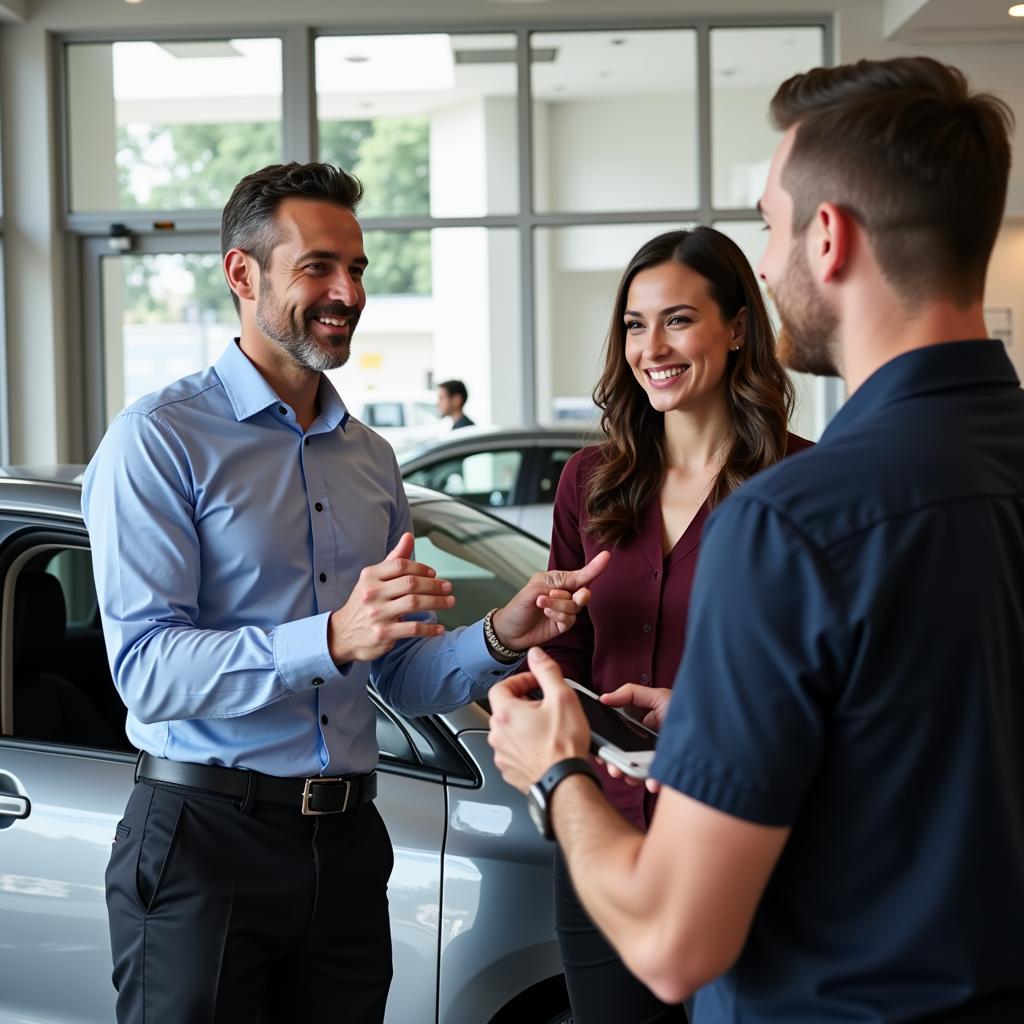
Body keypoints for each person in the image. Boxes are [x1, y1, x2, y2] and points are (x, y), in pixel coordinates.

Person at [488, 56, 1024, 1024]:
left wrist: (556, 767)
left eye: (771, 227)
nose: (767, 261)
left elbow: (671, 941)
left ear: (828, 237)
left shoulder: (790, 517)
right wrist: (713, 714)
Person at [82, 161, 609, 1024]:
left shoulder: (368, 458)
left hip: (351, 845)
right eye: (318, 266)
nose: (347, 291)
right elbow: (147, 670)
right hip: (204, 836)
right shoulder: (159, 439)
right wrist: (329, 637)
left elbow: (393, 676)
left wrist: (502, 635)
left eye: (357, 268)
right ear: (242, 275)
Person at [542, 225, 810, 1023]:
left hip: (745, 833)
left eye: (679, 319)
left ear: (736, 327)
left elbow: (820, 683)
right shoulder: (588, 481)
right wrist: (540, 650)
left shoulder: (803, 485)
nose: (651, 346)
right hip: (604, 824)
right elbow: (562, 657)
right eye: (634, 323)